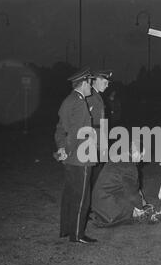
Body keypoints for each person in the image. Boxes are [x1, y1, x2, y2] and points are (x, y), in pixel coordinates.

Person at [54, 67, 98, 244]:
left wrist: (62, 148)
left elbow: (60, 129)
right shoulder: (79, 103)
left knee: (71, 195)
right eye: (90, 82)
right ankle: (78, 235)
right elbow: (77, 132)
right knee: (82, 198)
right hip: (81, 157)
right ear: (84, 83)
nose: (91, 86)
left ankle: (67, 229)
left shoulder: (69, 100)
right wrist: (68, 150)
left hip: (72, 157)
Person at [90, 141, 148, 227]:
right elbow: (132, 194)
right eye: (142, 155)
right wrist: (140, 207)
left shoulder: (118, 158)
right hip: (108, 208)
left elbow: (131, 186)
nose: (142, 159)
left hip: (98, 202)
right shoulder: (130, 167)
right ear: (136, 153)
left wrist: (140, 199)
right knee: (133, 210)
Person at [87, 69, 112, 187]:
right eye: (105, 82)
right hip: (92, 140)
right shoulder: (90, 95)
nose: (107, 86)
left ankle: (94, 201)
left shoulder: (97, 96)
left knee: (98, 172)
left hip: (100, 140)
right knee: (92, 174)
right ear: (96, 80)